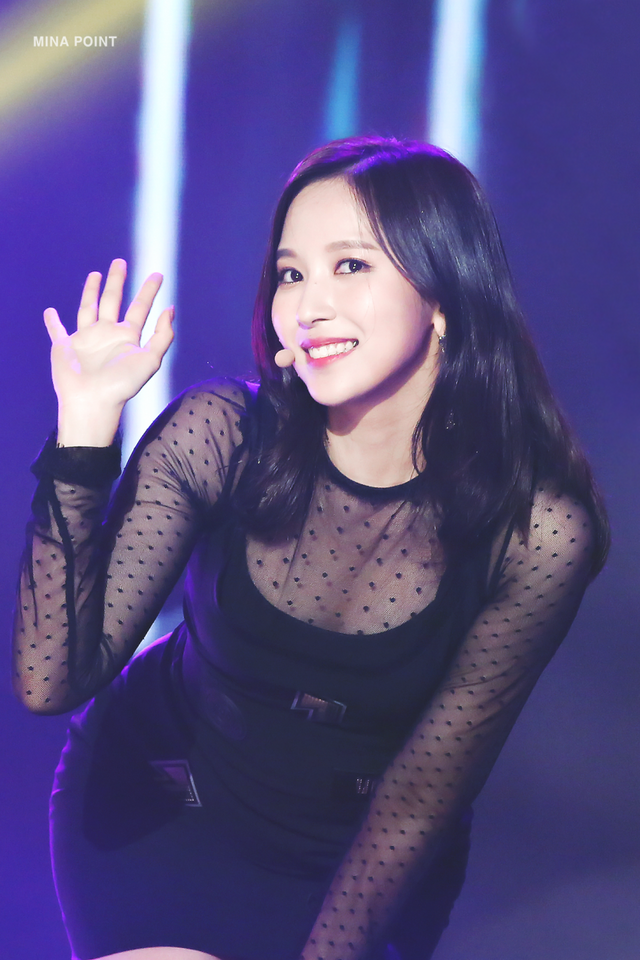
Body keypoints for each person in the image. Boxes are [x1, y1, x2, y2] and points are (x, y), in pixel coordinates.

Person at [13, 137, 609, 960]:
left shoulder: (535, 532)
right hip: (163, 801)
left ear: (443, 296)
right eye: (291, 274)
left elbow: (420, 797)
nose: (308, 305)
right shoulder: (221, 435)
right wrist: (85, 425)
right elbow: (51, 680)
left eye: (350, 266)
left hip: (359, 865)